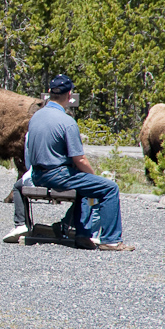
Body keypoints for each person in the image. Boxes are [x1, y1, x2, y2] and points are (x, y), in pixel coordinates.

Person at [27, 74, 133, 251]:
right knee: (109, 188)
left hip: (37, 175)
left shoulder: (35, 117)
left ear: (48, 93)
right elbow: (80, 159)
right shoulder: (67, 122)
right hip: (57, 175)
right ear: (70, 95)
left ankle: (82, 235)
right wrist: (92, 177)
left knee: (85, 186)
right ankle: (111, 240)